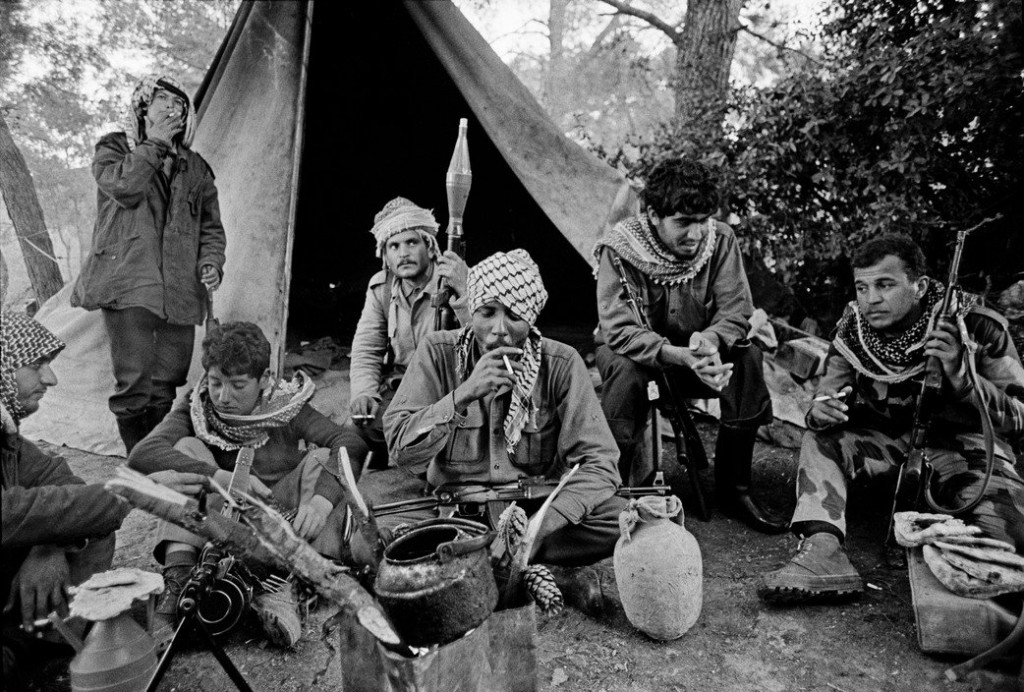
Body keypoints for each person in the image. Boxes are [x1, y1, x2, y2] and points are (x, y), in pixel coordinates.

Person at [759, 235, 1024, 602]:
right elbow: (825, 397)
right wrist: (820, 412)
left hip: (967, 450)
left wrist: (963, 377)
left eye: (885, 285)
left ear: (920, 286)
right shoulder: (853, 330)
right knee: (821, 441)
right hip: (889, 446)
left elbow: (1019, 415)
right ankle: (823, 553)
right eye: (862, 287)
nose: (871, 300)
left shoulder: (975, 327)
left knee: (1005, 547)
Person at [380, 249, 626, 612]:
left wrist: (536, 529)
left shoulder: (560, 363)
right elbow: (401, 448)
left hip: (537, 512)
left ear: (531, 319)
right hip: (456, 514)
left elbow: (600, 462)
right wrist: (463, 394)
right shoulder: (437, 352)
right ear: (472, 311)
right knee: (371, 536)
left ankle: (498, 565)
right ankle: (547, 575)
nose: (499, 330)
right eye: (487, 313)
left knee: (621, 518)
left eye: (514, 315)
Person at [128, 321, 368, 647]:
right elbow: (143, 454)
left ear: (264, 380)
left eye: (238, 386)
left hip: (281, 518)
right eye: (216, 383)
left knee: (325, 457)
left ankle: (286, 585)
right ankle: (181, 575)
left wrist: (320, 502)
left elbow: (349, 441)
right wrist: (218, 477)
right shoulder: (197, 406)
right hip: (223, 516)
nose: (223, 397)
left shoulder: (286, 406)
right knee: (185, 451)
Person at [594, 158, 785, 533]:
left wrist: (709, 343)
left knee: (747, 358)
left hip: (698, 356)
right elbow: (618, 330)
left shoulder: (721, 240)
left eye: (703, 220)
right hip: (640, 358)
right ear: (653, 215)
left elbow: (736, 310)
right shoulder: (619, 250)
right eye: (683, 222)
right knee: (626, 369)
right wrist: (679, 354)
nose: (697, 234)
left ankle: (736, 488)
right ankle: (607, 491)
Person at [72, 73, 227, 454]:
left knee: (166, 383)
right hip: (129, 284)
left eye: (180, 104)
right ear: (143, 109)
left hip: (180, 290)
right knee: (134, 383)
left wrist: (211, 261)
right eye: (164, 102)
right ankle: (139, 461)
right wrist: (155, 143)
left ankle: (154, 457)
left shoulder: (197, 168)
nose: (175, 109)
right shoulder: (114, 149)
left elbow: (211, 226)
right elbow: (124, 188)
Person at [348, 197, 468, 470]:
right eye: (394, 246)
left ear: (430, 246)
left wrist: (464, 293)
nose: (403, 253)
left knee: (436, 460)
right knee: (356, 429)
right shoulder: (382, 288)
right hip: (402, 388)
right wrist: (364, 393)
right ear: (385, 256)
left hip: (446, 390)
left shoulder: (454, 279)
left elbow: (481, 338)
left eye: (411, 243)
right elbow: (367, 346)